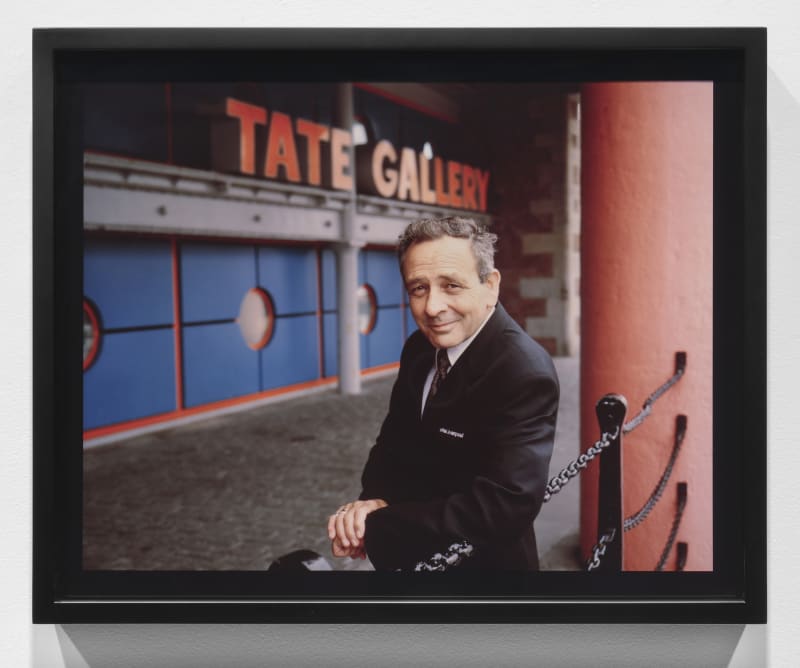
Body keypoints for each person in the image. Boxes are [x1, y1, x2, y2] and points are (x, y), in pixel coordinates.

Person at [327, 216, 559, 570]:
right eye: (419, 288)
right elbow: (392, 444)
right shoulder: (419, 349)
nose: (432, 307)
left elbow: (504, 505)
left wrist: (378, 526)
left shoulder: (523, 372)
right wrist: (371, 502)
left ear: (491, 285)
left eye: (451, 286)